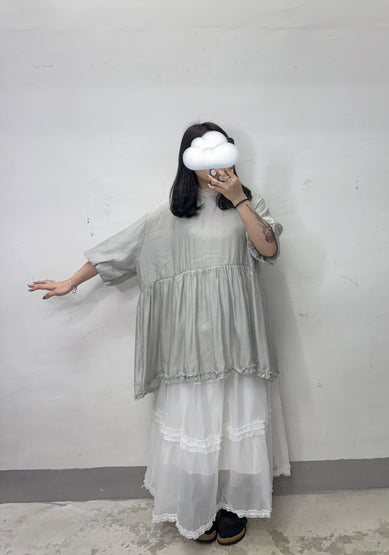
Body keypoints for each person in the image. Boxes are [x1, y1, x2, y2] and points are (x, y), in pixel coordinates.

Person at [27, 121, 291, 545]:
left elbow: (269, 248)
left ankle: (235, 505)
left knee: (237, 419)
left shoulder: (249, 203)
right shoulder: (167, 215)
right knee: (197, 426)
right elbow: (118, 249)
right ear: (187, 160)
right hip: (190, 346)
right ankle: (198, 505)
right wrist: (69, 282)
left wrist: (239, 198)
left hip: (239, 338)